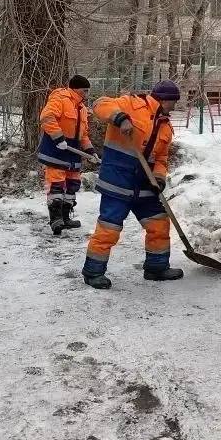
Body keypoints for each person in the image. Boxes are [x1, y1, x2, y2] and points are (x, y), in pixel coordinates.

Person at [82, 80, 184, 289]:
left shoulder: (165, 127)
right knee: (109, 227)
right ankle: (93, 272)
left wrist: (158, 178)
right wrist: (119, 118)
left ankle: (156, 267)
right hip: (118, 180)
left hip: (144, 184)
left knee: (159, 223)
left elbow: (162, 159)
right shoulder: (131, 104)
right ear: (165, 100)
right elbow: (100, 104)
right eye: (173, 102)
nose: (175, 107)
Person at [37, 75, 98, 235]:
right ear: (76, 89)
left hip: (73, 152)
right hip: (56, 149)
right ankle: (56, 220)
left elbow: (83, 135)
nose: (87, 94)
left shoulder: (82, 109)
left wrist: (90, 151)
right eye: (85, 90)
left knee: (72, 185)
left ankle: (65, 217)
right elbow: (47, 117)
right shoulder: (60, 99)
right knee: (56, 184)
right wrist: (58, 137)